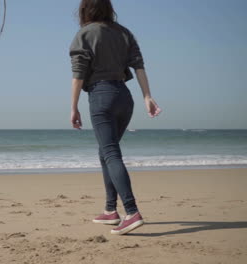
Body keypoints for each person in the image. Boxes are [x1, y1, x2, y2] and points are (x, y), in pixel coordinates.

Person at [69, 0, 161, 235]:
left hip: (101, 96)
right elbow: (139, 65)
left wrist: (73, 107)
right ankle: (111, 210)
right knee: (106, 152)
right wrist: (147, 96)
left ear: (84, 10)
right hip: (124, 97)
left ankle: (131, 212)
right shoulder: (124, 33)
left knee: (110, 153)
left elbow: (79, 73)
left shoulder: (85, 34)